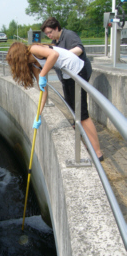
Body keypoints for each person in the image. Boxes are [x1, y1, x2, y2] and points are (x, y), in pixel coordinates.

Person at [6, 42, 103, 161]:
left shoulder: (34, 49)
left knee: (82, 115)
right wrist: (38, 115)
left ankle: (98, 153)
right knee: (75, 112)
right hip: (67, 74)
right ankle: (90, 144)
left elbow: (54, 54)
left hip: (77, 70)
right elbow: (44, 92)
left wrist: (42, 74)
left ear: (19, 57)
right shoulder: (33, 65)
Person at [41, 17, 103, 161]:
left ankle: (97, 152)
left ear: (57, 28)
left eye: (50, 32)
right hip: (67, 78)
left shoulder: (68, 35)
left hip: (78, 74)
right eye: (47, 34)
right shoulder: (54, 42)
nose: (49, 36)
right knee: (72, 106)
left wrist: (64, 56)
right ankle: (80, 130)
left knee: (82, 112)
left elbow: (79, 49)